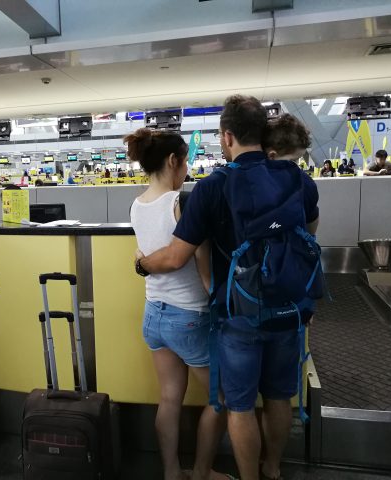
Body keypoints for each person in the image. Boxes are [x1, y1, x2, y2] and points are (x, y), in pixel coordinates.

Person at [136, 95, 319, 480]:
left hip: (238, 313)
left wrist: (143, 263)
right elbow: (310, 235)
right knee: (279, 396)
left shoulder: (212, 188)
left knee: (238, 405)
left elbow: (177, 255)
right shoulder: (299, 180)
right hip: (289, 309)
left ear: (227, 137)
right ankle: (272, 468)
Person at [127, 129, 229, 480]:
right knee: (220, 399)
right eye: (186, 162)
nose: (186, 170)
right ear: (173, 161)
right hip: (189, 317)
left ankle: (171, 472)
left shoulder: (137, 205)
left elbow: (147, 255)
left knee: (170, 397)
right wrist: (217, 298)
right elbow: (202, 265)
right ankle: (201, 472)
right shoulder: (182, 203)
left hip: (154, 314)